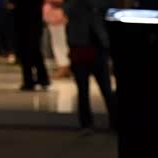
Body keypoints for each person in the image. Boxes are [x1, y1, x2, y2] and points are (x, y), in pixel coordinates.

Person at [64, 0, 115, 131]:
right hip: (80, 44)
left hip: (97, 44)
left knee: (106, 88)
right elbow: (68, 10)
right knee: (83, 89)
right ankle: (86, 123)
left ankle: (114, 121)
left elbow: (108, 8)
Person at [13, 0, 50, 90]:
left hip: (24, 20)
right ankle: (41, 78)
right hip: (33, 20)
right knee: (34, 50)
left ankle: (29, 80)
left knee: (26, 50)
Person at [43, 0, 70, 78]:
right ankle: (63, 65)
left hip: (57, 15)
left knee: (59, 43)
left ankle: (64, 66)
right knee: (58, 42)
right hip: (54, 14)